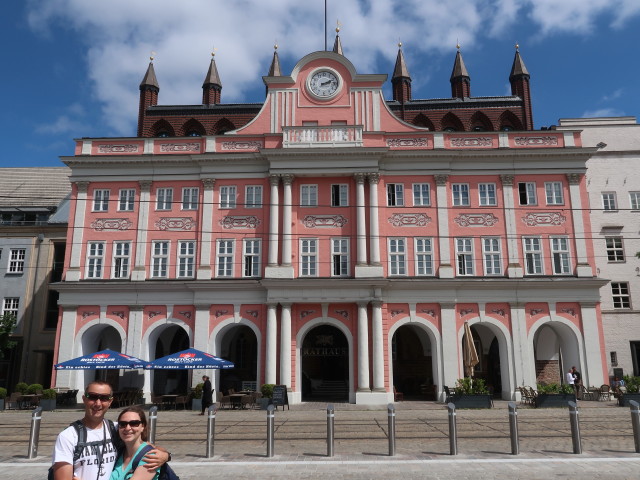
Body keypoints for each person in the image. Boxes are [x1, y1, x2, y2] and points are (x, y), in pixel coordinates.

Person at [51, 381, 169, 480]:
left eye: (104, 398)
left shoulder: (117, 428)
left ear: (110, 402)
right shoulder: (69, 436)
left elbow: (146, 448)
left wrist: (165, 456)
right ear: (84, 399)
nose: (98, 403)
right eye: (92, 397)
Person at [109, 407, 158, 480]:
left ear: (143, 426)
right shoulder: (118, 453)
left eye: (134, 423)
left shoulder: (150, 456)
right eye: (122, 424)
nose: (127, 428)